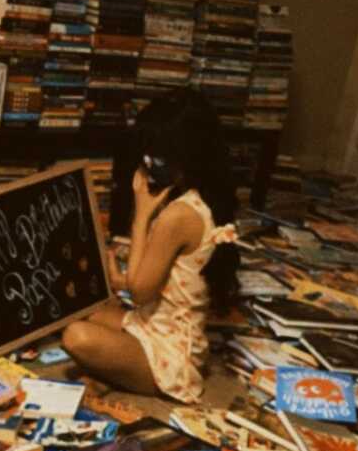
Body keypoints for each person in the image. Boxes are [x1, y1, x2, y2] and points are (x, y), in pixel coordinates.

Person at [62, 88, 238, 402]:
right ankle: (114, 372)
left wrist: (141, 210)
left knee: (76, 336)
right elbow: (154, 284)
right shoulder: (203, 197)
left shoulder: (179, 214)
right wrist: (121, 280)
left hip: (171, 353)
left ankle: (121, 376)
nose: (147, 164)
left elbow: (140, 291)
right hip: (153, 321)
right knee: (82, 308)